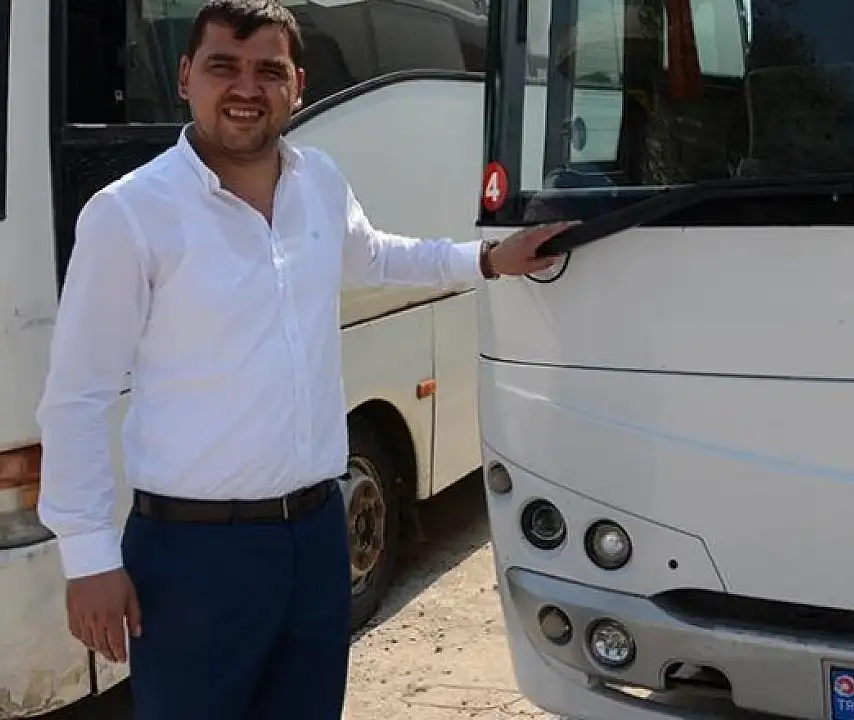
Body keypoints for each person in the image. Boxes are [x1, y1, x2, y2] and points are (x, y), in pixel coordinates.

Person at [34, 1, 569, 718]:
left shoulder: (317, 180)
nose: (246, 88)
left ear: (298, 85)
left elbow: (377, 255)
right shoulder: (129, 213)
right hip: (194, 557)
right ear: (186, 76)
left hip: (318, 536)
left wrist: (489, 259)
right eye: (224, 66)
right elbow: (78, 394)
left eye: (269, 71)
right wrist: (89, 558)